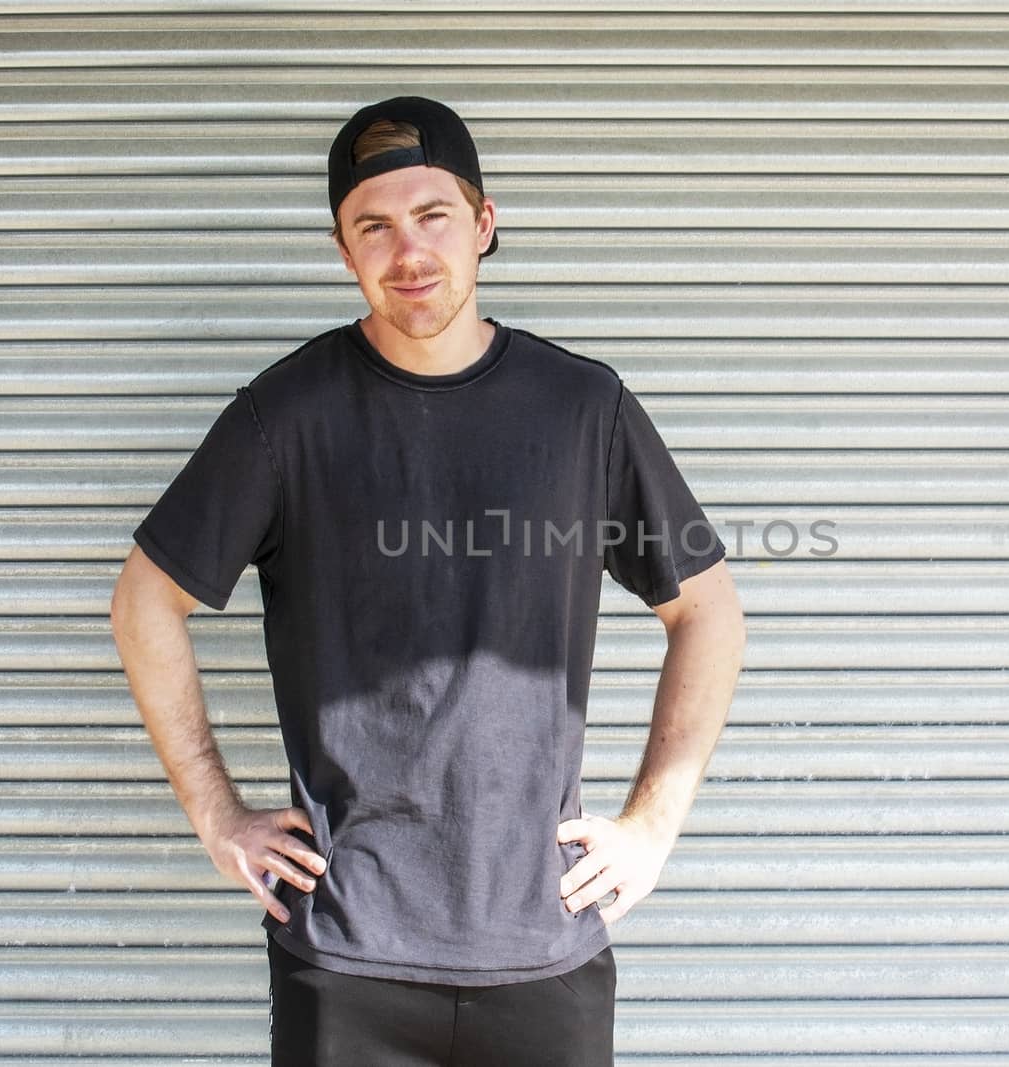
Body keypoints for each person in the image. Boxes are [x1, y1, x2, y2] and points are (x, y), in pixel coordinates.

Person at [109, 95, 746, 1066]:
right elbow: (146, 599)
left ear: (483, 223)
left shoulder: (584, 409)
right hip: (346, 959)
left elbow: (705, 609)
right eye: (374, 225)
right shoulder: (285, 418)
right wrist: (216, 809)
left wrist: (651, 823)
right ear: (342, 247)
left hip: (545, 950)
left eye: (432, 214)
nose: (408, 250)